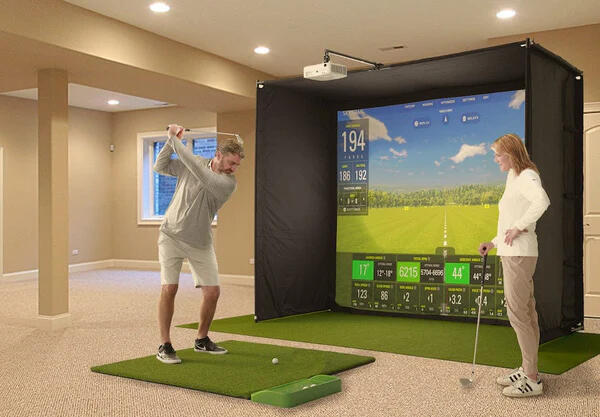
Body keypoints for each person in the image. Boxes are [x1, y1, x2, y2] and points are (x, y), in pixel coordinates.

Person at [153, 124, 244, 364]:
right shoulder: (194, 164)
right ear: (218, 155)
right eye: (231, 163)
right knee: (169, 289)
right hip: (170, 235)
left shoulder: (228, 183)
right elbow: (159, 166)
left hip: (200, 241)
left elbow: (196, 168)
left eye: (237, 165)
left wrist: (174, 138)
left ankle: (202, 339)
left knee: (213, 292)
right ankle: (165, 344)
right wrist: (168, 141)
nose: (234, 169)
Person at [478, 133, 550, 397]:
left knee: (519, 314)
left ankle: (531, 379)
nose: (496, 159)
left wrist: (519, 227)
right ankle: (528, 368)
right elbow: (511, 219)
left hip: (519, 255)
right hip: (512, 252)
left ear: (511, 153)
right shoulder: (513, 177)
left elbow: (542, 201)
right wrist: (494, 242)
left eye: (499, 154)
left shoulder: (527, 176)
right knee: (526, 313)